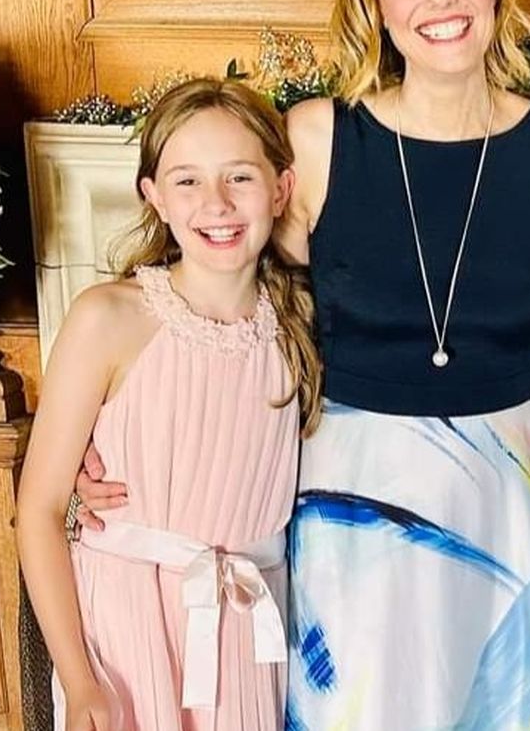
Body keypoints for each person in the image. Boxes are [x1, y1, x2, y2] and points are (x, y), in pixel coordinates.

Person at [76, 0, 530, 730]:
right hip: (353, 511)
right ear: (374, 2)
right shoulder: (319, 140)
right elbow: (221, 305)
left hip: (511, 504)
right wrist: (100, 436)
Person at [17, 78, 321, 730]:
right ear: (153, 195)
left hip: (247, 635)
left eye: (240, 177)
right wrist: (79, 678)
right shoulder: (108, 319)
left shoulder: (299, 329)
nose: (217, 203)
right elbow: (39, 509)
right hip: (127, 633)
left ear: (281, 189)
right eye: (187, 181)